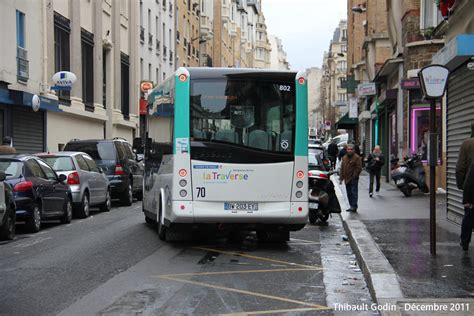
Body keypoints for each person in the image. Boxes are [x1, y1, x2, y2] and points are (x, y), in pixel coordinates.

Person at [455, 123, 474, 252]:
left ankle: (465, 242)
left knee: (469, 215)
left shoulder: (467, 144)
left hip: (471, 186)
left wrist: (462, 185)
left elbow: (460, 168)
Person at [339, 144, 362, 212]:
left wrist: (355, 176)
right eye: (348, 149)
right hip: (346, 178)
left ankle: (354, 206)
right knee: (349, 193)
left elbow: (359, 168)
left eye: (351, 149)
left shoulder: (357, 157)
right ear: (346, 150)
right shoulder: (344, 158)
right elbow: (342, 168)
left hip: (353, 178)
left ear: (354, 150)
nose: (349, 150)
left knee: (354, 192)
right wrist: (341, 178)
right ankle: (351, 205)